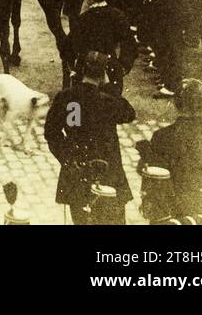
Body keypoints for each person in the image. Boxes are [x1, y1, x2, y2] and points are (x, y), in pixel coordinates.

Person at [43, 51, 137, 223]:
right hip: (108, 169)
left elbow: (51, 133)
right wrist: (109, 87)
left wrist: (67, 158)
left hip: (77, 169)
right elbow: (130, 114)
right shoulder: (108, 100)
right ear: (104, 75)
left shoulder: (66, 98)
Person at [139, 78, 202, 221]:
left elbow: (153, 174)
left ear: (175, 103)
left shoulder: (162, 136)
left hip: (174, 209)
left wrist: (146, 154)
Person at [68, 0, 137, 94]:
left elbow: (68, 48)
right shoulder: (118, 15)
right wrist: (122, 66)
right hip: (111, 70)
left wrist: (75, 68)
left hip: (86, 73)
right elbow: (130, 44)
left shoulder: (83, 18)